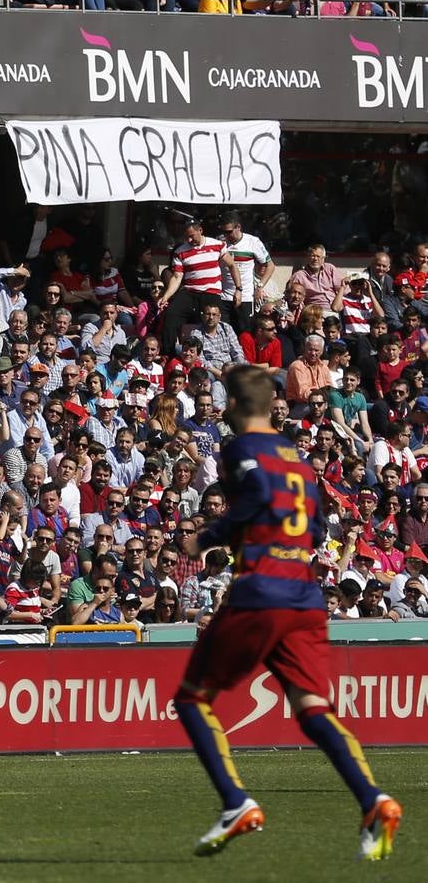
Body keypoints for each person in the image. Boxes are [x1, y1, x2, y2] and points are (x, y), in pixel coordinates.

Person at [177, 365, 401, 860]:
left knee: (193, 699)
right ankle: (373, 800)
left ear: (235, 407)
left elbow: (255, 496)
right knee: (311, 707)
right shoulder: (297, 459)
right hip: (304, 595)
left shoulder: (240, 449)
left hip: (261, 589)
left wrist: (208, 535)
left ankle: (235, 803)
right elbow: (319, 527)